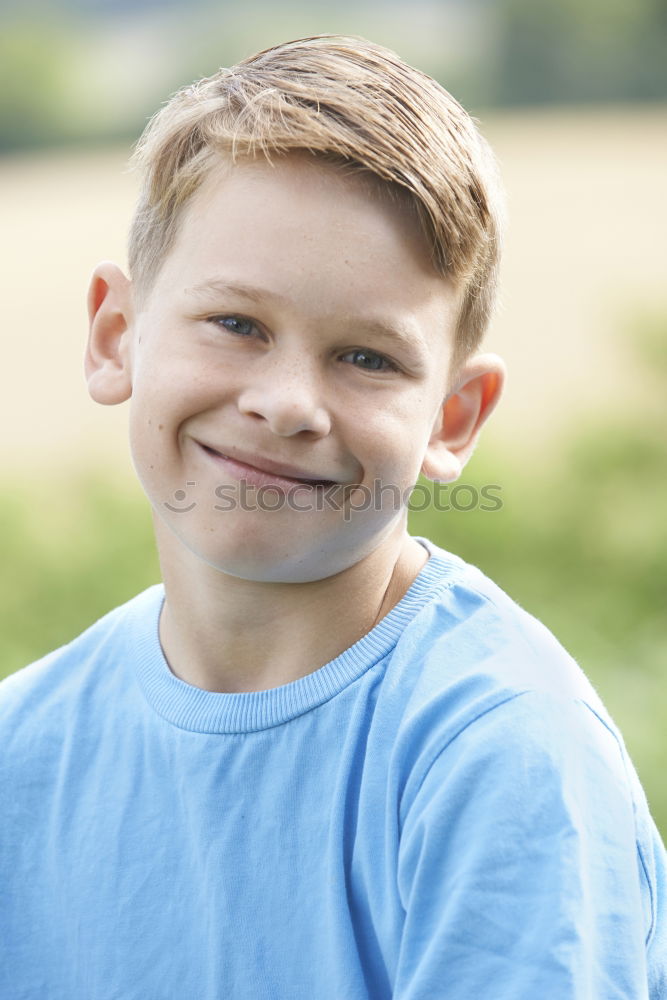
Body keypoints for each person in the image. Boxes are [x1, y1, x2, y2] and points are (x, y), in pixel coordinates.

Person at [1, 34, 665, 1000]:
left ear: (450, 419)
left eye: (366, 358)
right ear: (116, 337)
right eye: (237, 324)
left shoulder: (499, 759)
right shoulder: (22, 750)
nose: (287, 403)